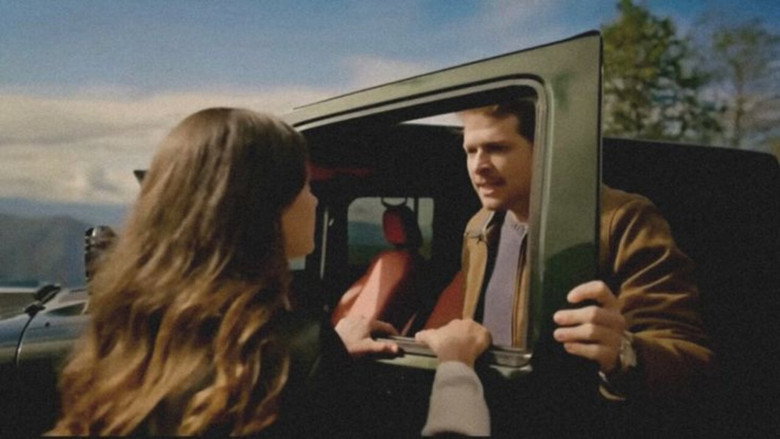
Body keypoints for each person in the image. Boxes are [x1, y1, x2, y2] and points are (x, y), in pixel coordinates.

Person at [49, 108, 489, 436]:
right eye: (305, 186)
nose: (314, 200)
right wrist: (456, 368)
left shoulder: (124, 339)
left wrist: (330, 348)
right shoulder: (293, 356)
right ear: (264, 209)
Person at [456, 102, 713, 430]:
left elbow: (691, 358)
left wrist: (623, 353)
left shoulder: (621, 220)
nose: (479, 166)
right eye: (471, 151)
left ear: (545, 149)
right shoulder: (479, 226)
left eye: (497, 148)